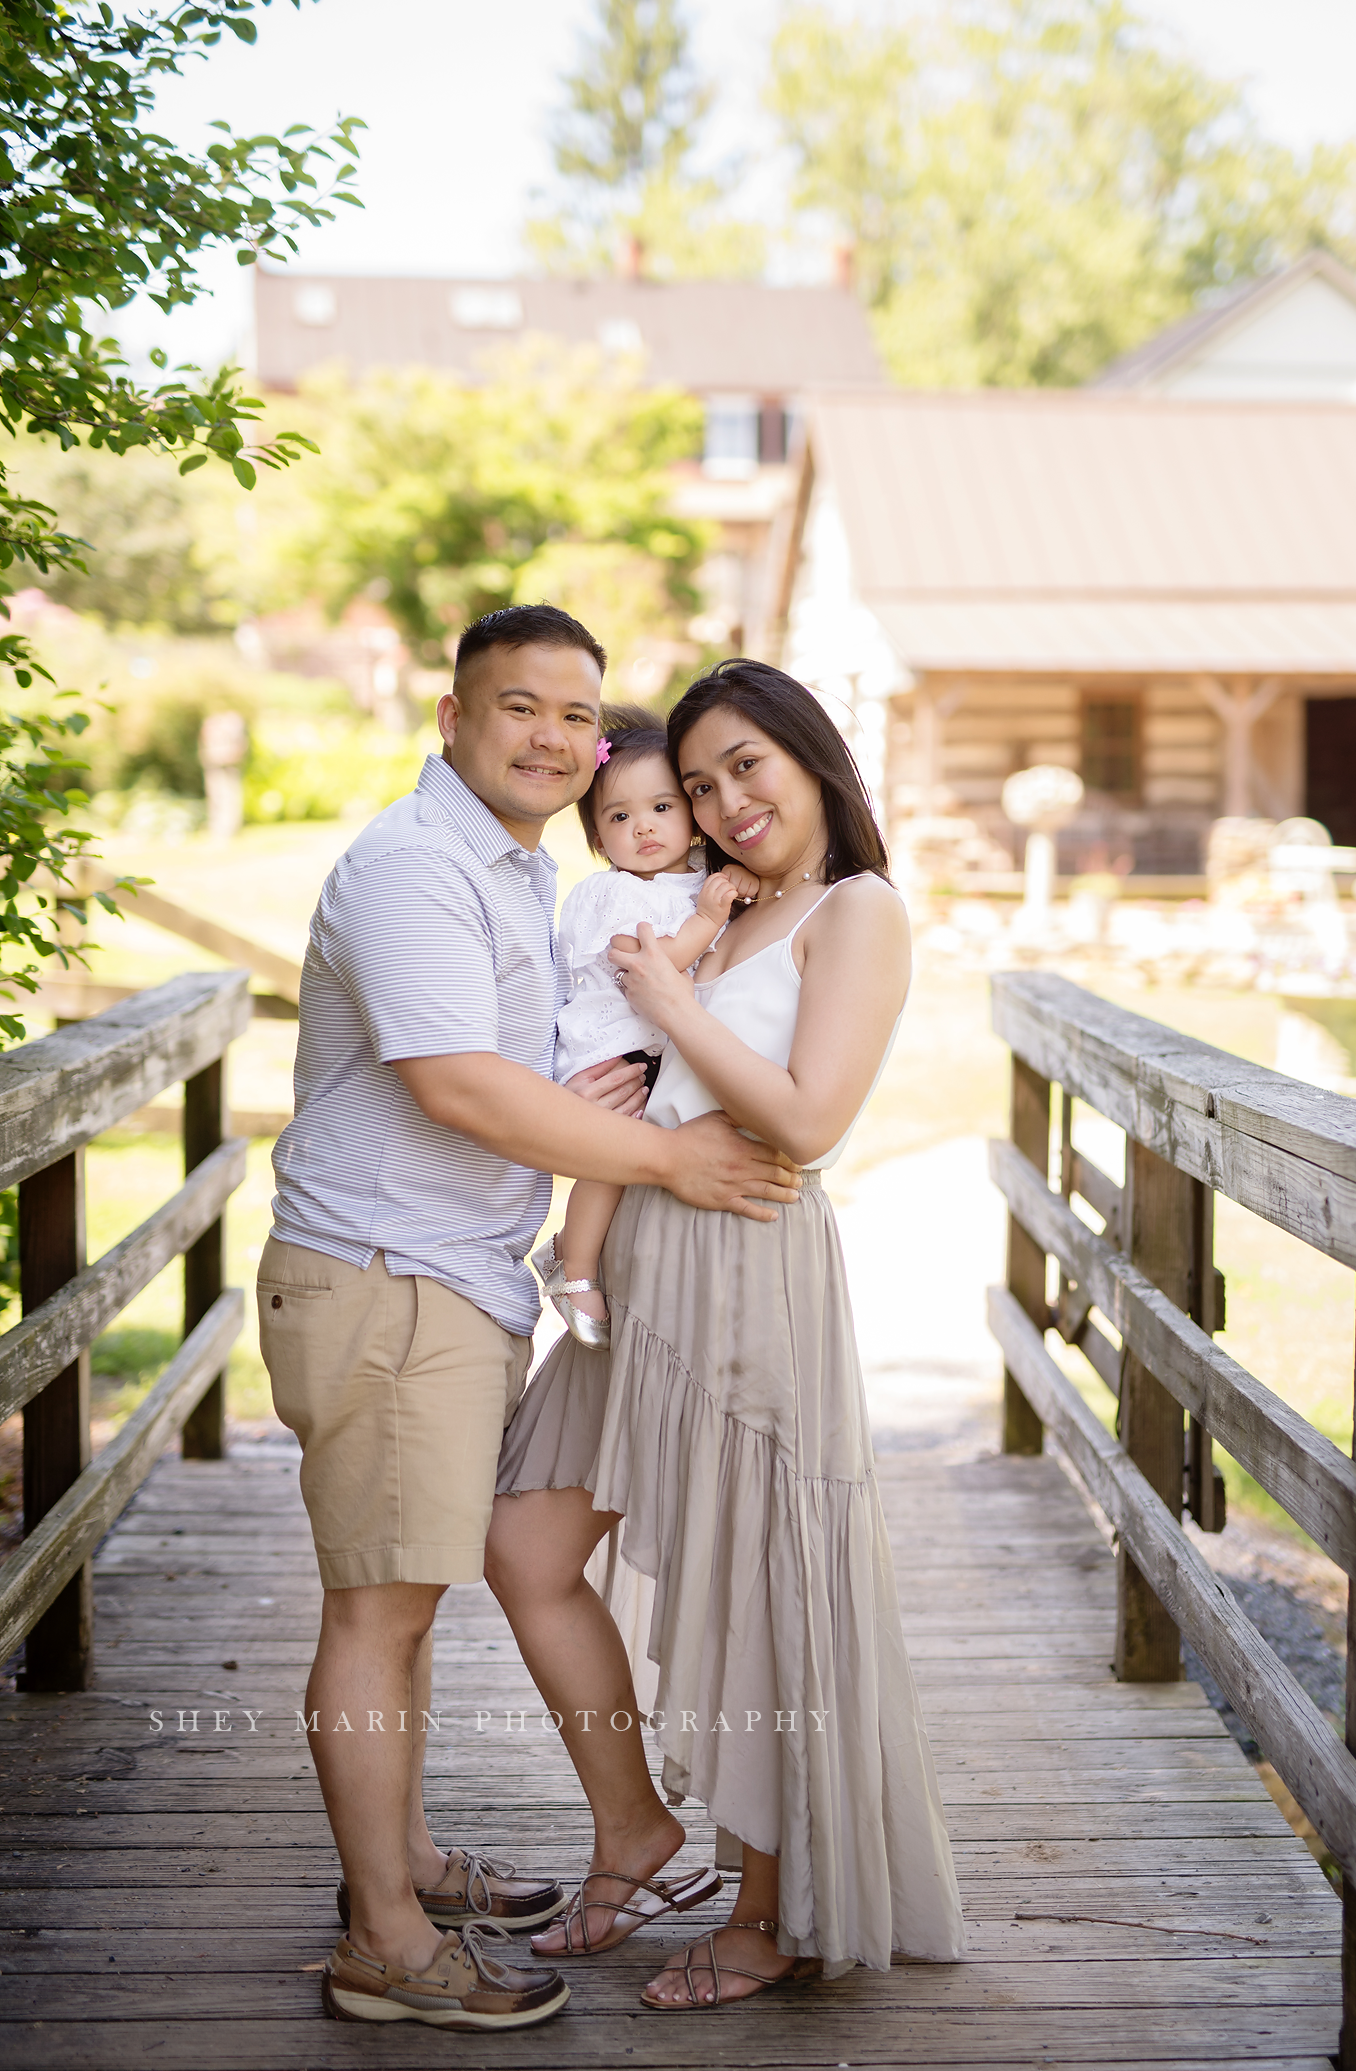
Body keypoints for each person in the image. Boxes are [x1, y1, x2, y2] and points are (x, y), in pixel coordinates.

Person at [258, 606, 800, 2034]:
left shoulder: (517, 870)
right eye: (521, 707)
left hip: (454, 1277)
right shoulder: (412, 868)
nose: (555, 736)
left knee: (409, 1598)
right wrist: (671, 1157)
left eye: (578, 713)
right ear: (452, 718)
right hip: (387, 1271)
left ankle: (410, 1865)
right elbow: (455, 1082)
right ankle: (385, 1938)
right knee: (379, 1610)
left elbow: (541, 1060)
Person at [489, 657, 965, 2013]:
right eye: (699, 784)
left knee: (754, 1580)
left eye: (747, 766)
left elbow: (811, 1120)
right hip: (635, 1258)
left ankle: (770, 1910)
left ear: (811, 757)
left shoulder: (857, 909)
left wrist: (675, 1009)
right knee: (523, 1543)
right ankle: (634, 1828)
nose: (726, 800)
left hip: (747, 1271)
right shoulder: (719, 906)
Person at [538, 705, 757, 1348]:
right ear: (600, 840)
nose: (645, 828)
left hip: (657, 1046)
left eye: (662, 807)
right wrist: (707, 921)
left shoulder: (696, 882)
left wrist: (718, 896)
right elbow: (649, 966)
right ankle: (572, 1265)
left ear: (692, 814)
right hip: (612, 1049)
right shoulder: (614, 896)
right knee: (610, 1158)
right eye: (620, 816)